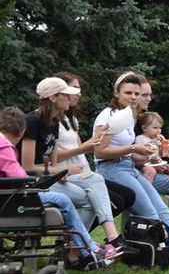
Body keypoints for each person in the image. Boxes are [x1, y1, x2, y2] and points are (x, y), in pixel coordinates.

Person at [20, 77, 129, 256]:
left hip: (48, 176)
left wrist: (58, 172)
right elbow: (27, 166)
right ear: (53, 98)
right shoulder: (32, 121)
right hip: (32, 181)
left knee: (95, 179)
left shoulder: (54, 122)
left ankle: (92, 242)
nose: (71, 98)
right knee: (89, 200)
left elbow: (50, 161)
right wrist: (59, 171)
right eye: (66, 95)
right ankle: (75, 248)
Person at [0, 107, 116, 269]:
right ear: (21, 132)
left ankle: (84, 247)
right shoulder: (4, 148)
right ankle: (90, 249)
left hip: (7, 197)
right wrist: (33, 181)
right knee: (61, 199)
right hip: (9, 200)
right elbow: (17, 177)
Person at [92, 72, 169, 258]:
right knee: (150, 212)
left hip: (128, 167)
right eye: (128, 93)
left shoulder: (128, 116)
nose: (133, 97)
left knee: (162, 209)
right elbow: (99, 152)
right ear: (116, 93)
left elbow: (128, 150)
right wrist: (133, 148)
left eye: (137, 94)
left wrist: (145, 153)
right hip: (111, 169)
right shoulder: (108, 116)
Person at [52, 72, 137, 227]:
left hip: (81, 171)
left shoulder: (71, 120)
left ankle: (78, 238)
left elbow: (82, 149)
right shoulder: (51, 122)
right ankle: (76, 239)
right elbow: (57, 156)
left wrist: (99, 136)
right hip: (66, 173)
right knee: (116, 200)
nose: (79, 94)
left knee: (128, 195)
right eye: (75, 89)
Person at [134, 111, 169, 189]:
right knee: (151, 171)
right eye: (155, 128)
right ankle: (147, 187)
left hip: (158, 164)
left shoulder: (157, 140)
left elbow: (165, 154)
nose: (158, 131)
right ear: (144, 128)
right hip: (146, 164)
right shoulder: (140, 138)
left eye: (160, 128)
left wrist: (164, 144)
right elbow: (139, 153)